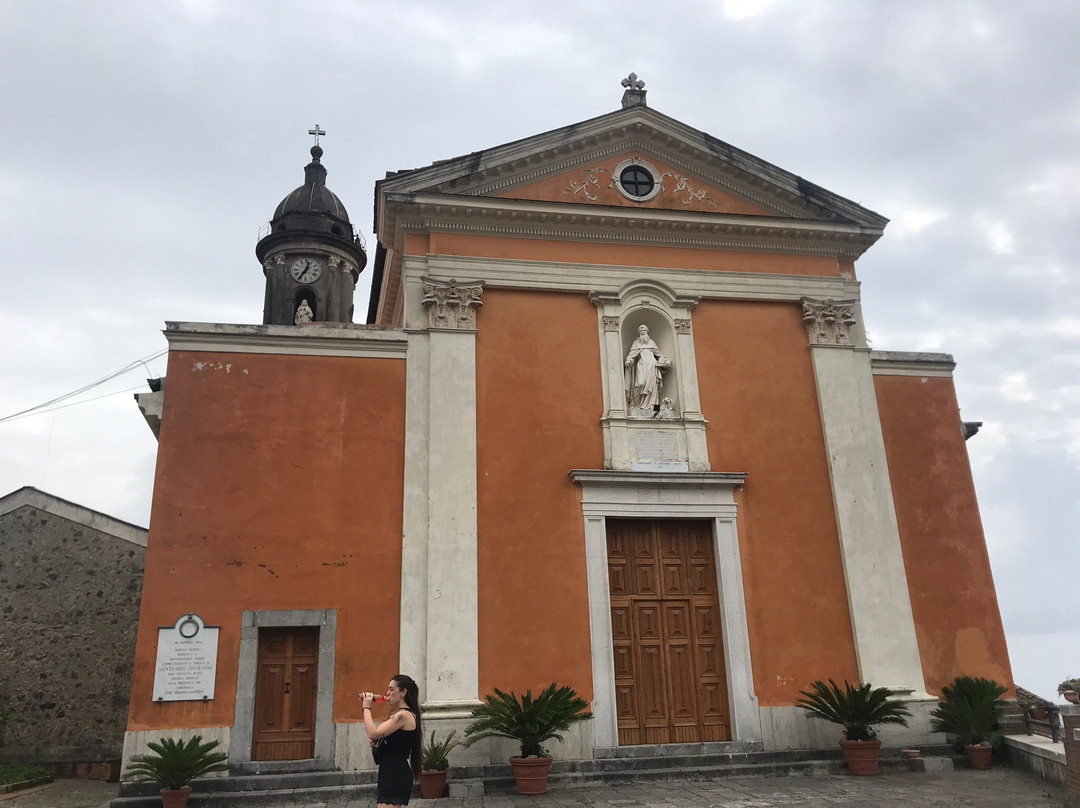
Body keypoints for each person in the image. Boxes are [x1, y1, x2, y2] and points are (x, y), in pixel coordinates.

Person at [361, 675, 422, 807]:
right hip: (390, 771)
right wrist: (378, 744)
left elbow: (374, 733)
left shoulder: (403, 715)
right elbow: (392, 741)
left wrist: (366, 707)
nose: (387, 693)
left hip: (395, 773)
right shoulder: (402, 715)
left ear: (403, 692)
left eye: (391, 689)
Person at [624, 324, 671, 411]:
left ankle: (653, 407)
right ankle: (636, 405)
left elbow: (659, 354)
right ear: (638, 333)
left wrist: (665, 361)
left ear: (647, 332)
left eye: (644, 331)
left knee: (653, 387)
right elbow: (631, 355)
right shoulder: (636, 343)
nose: (643, 332)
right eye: (641, 331)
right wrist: (629, 360)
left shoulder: (652, 343)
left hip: (652, 366)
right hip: (641, 365)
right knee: (640, 384)